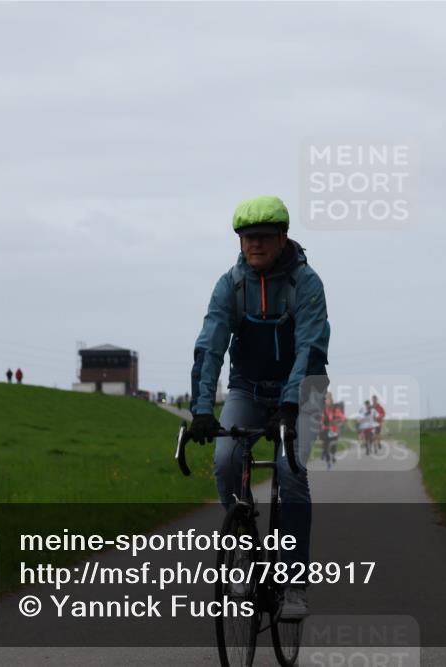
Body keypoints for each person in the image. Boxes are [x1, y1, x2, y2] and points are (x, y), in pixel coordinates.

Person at [186, 195, 329, 619]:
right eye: (247, 238)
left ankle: (295, 585)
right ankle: (245, 556)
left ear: (283, 238)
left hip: (303, 389)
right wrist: (201, 410)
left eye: (264, 237)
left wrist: (290, 404)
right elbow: (210, 347)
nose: (255, 245)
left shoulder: (307, 284)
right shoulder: (229, 285)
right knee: (227, 460)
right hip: (247, 388)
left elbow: (309, 346)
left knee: (290, 471)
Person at [320, 392, 344, 468]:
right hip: (325, 430)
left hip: (333, 430)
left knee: (333, 445)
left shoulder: (335, 410)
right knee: (325, 445)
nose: (326, 400)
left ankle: (333, 455)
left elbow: (342, 418)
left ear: (331, 399)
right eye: (325, 399)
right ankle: (328, 462)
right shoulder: (323, 410)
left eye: (328, 398)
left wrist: (337, 421)